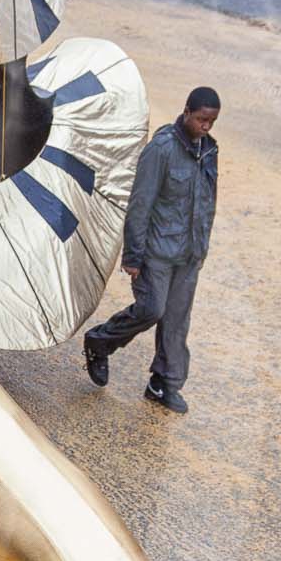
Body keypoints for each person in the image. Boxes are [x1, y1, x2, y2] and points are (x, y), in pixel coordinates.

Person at [82, 88, 221, 413]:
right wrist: (133, 256)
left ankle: (164, 384)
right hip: (156, 253)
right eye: (201, 119)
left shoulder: (209, 150)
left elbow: (207, 202)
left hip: (188, 255)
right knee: (151, 309)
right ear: (186, 112)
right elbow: (140, 204)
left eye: (212, 121)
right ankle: (100, 341)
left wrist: (201, 248)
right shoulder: (161, 149)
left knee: (176, 322)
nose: (206, 127)